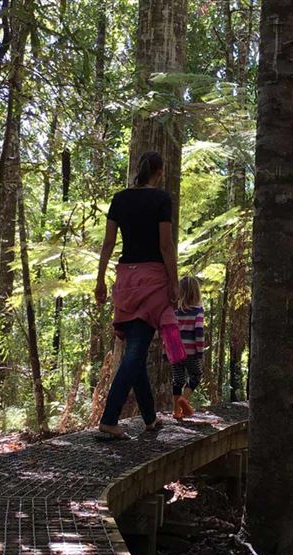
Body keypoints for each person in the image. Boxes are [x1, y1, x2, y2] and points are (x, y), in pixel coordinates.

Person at [94, 151, 182, 440]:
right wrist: (174, 282)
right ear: (159, 171)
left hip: (125, 279)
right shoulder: (161, 199)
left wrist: (100, 280)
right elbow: (166, 245)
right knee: (135, 351)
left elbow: (108, 243)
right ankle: (109, 419)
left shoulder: (120, 199)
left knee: (136, 349)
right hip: (152, 279)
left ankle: (149, 418)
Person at [171, 276, 204, 420]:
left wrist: (168, 352)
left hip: (176, 352)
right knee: (196, 376)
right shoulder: (198, 311)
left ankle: (176, 412)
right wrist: (200, 351)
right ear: (196, 293)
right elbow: (199, 332)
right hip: (191, 352)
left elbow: (169, 332)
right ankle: (184, 399)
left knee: (177, 380)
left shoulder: (175, 312)